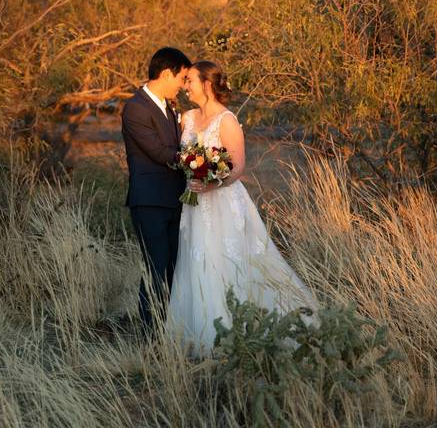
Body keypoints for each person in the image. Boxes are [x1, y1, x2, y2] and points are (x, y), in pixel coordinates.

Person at [165, 60, 317, 355]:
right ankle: (200, 338)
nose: (187, 87)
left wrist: (212, 183)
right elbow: (183, 156)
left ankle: (247, 332)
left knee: (228, 260)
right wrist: (192, 173)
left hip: (222, 202)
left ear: (207, 85)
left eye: (191, 81)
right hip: (194, 203)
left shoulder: (227, 121)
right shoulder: (187, 118)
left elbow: (237, 166)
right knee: (196, 260)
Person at [120, 47, 192, 335]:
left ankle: (169, 331)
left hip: (174, 200)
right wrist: (199, 161)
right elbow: (158, 151)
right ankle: (149, 337)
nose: (184, 86)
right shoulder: (136, 108)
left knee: (174, 268)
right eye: (182, 78)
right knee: (156, 267)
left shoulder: (170, 107)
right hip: (149, 201)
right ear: (166, 74)